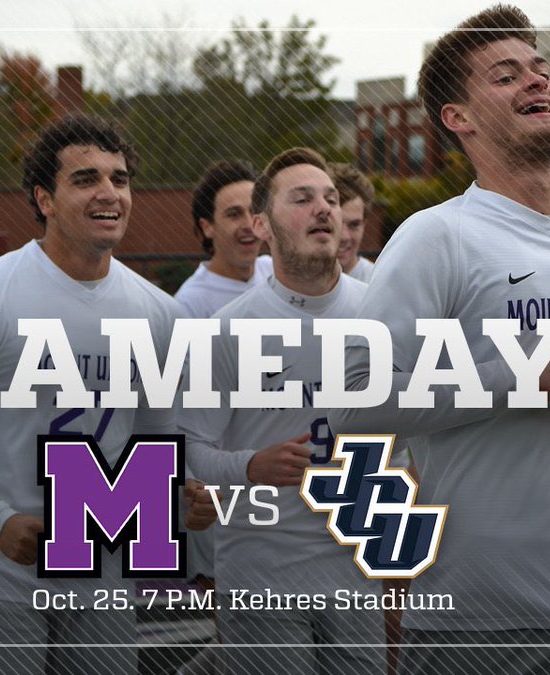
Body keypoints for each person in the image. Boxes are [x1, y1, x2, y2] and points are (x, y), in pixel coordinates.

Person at [329, 5, 550, 673]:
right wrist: (516, 376)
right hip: (483, 612)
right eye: (505, 75)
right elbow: (353, 398)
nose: (536, 82)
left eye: (540, 69)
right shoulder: (435, 236)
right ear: (458, 119)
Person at [0, 115, 182, 675]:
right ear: (45, 198)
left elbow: (154, 442)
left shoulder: (159, 313)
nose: (109, 193)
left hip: (103, 577)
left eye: (120, 178)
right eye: (85, 179)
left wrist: (181, 494)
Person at [179, 147, 385, 674]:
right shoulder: (226, 329)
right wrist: (249, 467)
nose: (324, 209)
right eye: (302, 199)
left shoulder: (383, 315)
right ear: (262, 225)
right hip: (261, 577)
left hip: (357, 572)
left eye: (331, 199)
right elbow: (186, 450)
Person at [174, 160, 273, 319]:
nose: (249, 224)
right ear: (207, 227)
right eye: (234, 214)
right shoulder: (190, 304)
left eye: (254, 211)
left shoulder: (275, 272)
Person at [327, 163, 377, 282]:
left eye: (354, 225)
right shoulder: (290, 282)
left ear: (364, 225)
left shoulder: (378, 282)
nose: (344, 237)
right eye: (334, 223)